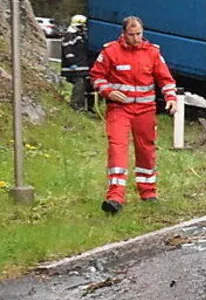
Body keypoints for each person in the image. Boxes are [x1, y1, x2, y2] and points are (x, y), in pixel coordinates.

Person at [89, 16, 178, 214]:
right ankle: (115, 197)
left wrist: (171, 98)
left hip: (145, 110)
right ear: (123, 33)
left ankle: (148, 192)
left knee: (146, 149)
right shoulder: (111, 51)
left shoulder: (152, 52)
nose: (136, 38)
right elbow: (96, 76)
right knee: (117, 147)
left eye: (139, 34)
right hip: (119, 109)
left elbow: (165, 79)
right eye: (132, 35)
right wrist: (108, 92)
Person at [61, 14, 91, 110]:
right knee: (79, 84)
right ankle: (75, 105)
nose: (84, 28)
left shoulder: (80, 36)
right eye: (82, 26)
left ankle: (85, 106)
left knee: (85, 85)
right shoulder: (70, 36)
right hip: (73, 68)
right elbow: (68, 51)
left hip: (81, 67)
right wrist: (72, 63)